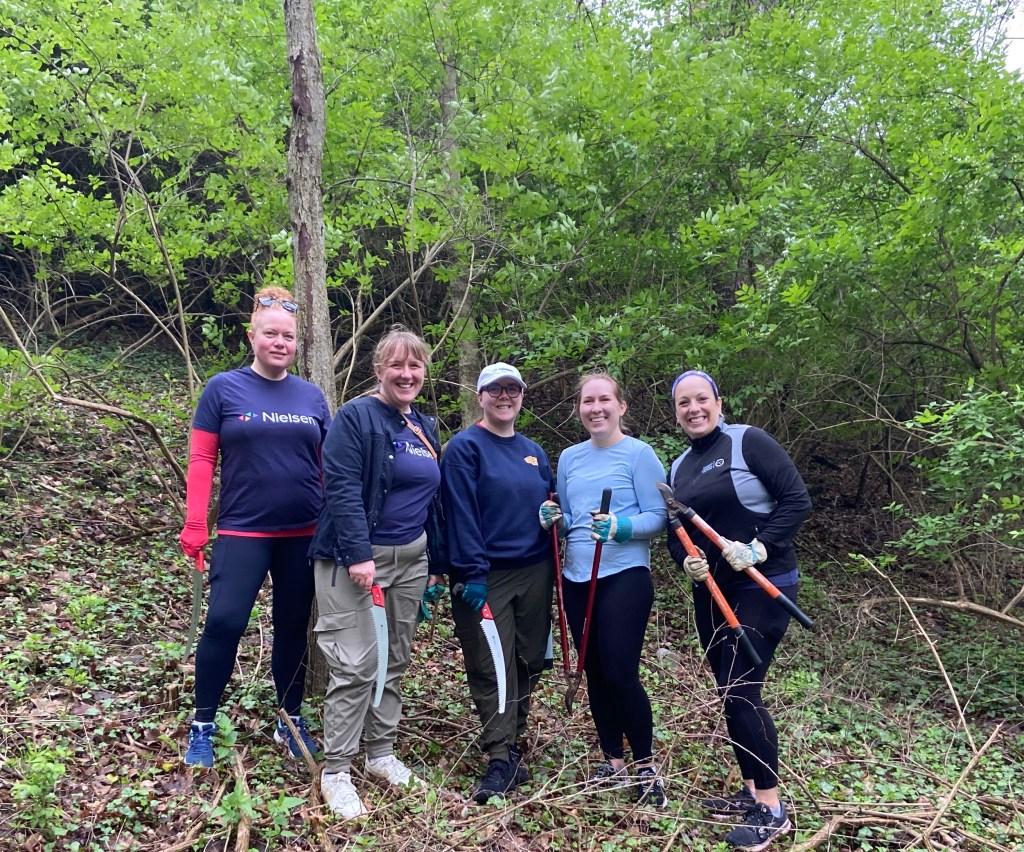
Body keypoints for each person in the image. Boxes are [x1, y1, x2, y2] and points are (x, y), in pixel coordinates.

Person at [178, 286, 330, 769]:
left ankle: (289, 720)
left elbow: (327, 465)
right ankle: (203, 723)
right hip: (244, 531)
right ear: (252, 335)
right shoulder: (224, 389)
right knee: (224, 622)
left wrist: (336, 525)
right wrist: (194, 523)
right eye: (271, 333)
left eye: (288, 335)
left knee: (291, 628)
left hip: (302, 533)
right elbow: (202, 456)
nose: (280, 342)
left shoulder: (311, 395)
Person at [666, 369, 811, 851]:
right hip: (713, 593)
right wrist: (684, 559)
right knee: (728, 690)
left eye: (701, 399)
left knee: (743, 689)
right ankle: (750, 790)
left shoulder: (749, 441)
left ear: (718, 401)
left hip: (763, 585)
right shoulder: (678, 467)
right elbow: (675, 533)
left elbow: (796, 500)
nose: (693, 409)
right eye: (683, 403)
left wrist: (760, 548)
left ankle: (772, 808)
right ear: (676, 411)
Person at [308, 326, 446, 820]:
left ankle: (381, 753)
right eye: (397, 366)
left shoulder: (425, 427)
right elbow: (341, 488)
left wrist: (435, 564)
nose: (406, 374)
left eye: (415, 366)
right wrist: (358, 553)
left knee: (394, 658)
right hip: (354, 560)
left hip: (412, 559)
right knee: (355, 663)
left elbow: (432, 499)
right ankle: (337, 771)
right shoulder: (355, 417)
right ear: (378, 370)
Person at [538, 372, 668, 807]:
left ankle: (647, 766)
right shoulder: (571, 457)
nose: (596, 408)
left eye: (604, 400)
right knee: (593, 669)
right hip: (578, 575)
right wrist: (552, 520)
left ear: (621, 406)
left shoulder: (639, 454)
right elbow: (571, 517)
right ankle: (612, 759)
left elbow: (659, 517)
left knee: (619, 669)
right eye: (587, 401)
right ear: (579, 409)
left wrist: (622, 526)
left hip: (624, 574)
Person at [441, 362, 555, 804]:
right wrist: (469, 571)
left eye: (513, 389)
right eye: (495, 390)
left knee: (528, 659)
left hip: (535, 570)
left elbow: (543, 502)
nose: (505, 397)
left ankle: (514, 739)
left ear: (522, 395)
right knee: (492, 664)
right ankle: (499, 757)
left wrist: (552, 515)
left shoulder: (534, 452)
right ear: (481, 395)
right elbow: (460, 513)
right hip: (485, 575)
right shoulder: (466, 448)